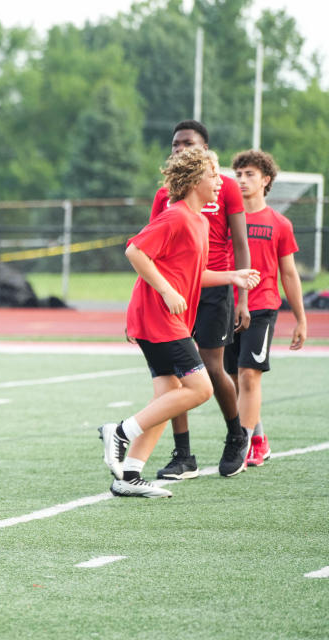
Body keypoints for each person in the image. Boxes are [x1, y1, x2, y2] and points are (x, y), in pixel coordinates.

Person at [99, 147, 259, 498]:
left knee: (169, 395)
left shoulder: (199, 221)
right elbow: (134, 250)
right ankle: (120, 432)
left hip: (164, 318)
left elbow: (193, 274)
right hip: (158, 317)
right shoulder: (176, 217)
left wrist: (232, 276)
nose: (221, 182)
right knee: (200, 389)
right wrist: (167, 291)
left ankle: (129, 476)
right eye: (214, 175)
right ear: (194, 180)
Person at [148, 120, 253, 480]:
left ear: (205, 148)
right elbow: (149, 252)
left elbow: (240, 243)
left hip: (214, 287)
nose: (179, 148)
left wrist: (242, 298)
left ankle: (236, 434)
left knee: (210, 365)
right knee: (177, 370)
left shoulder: (223, 187)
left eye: (187, 143)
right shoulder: (165, 195)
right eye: (175, 143)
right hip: (177, 291)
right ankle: (183, 455)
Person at [225, 149, 307, 469]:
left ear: (266, 180)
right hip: (227, 308)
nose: (243, 180)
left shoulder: (279, 223)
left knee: (249, 376)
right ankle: (259, 438)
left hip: (262, 307)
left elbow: (288, 273)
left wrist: (300, 319)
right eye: (239, 174)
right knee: (232, 380)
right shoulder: (226, 221)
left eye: (250, 175)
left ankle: (242, 444)